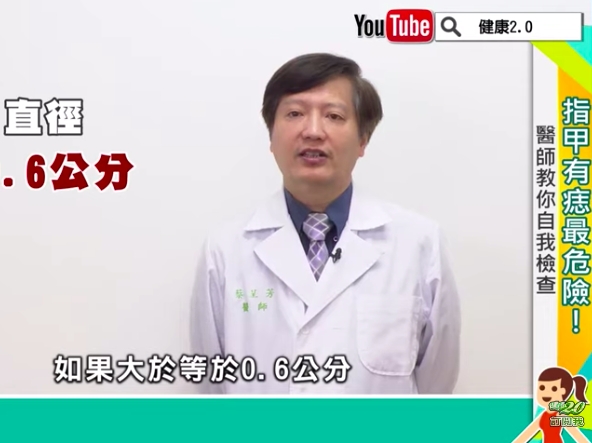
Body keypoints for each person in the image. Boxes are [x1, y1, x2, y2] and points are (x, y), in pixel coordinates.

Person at [189, 53, 461, 394]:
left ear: (363, 140)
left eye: (334, 116)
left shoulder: (418, 244)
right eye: (294, 113)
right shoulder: (225, 250)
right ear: (271, 136)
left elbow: (436, 386)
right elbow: (210, 385)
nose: (313, 131)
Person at [511, 367, 590, 443]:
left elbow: (577, 436)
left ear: (563, 391)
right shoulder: (543, 416)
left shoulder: (560, 416)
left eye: (554, 389)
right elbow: (525, 435)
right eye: (542, 388)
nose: (546, 393)